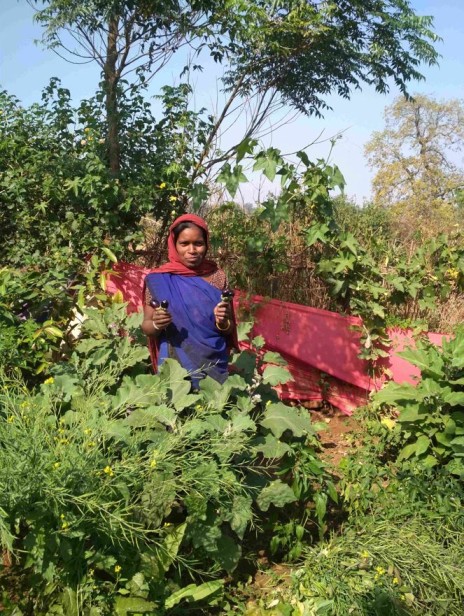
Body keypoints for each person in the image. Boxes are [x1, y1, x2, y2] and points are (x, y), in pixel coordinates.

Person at [142, 214, 237, 387]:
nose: (192, 250)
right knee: (177, 406)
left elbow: (229, 328)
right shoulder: (159, 279)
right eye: (184, 244)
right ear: (174, 244)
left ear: (206, 244)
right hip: (175, 360)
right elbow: (147, 327)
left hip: (213, 360)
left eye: (198, 244)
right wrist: (157, 324)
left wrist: (222, 321)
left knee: (214, 407)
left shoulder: (218, 277)